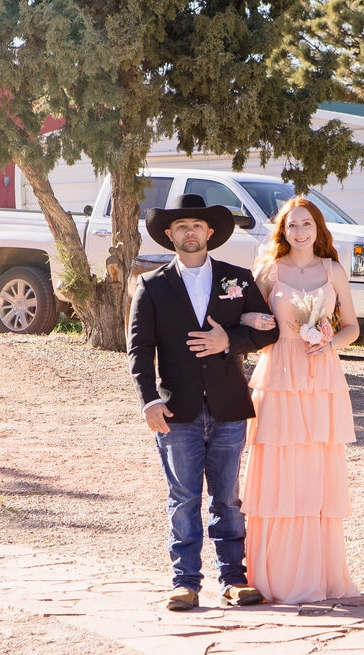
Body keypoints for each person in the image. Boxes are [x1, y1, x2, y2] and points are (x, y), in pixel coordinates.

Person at [127, 194, 279, 611]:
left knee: (227, 498)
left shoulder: (237, 278)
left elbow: (269, 331)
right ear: (169, 234)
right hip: (176, 410)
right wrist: (148, 401)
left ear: (210, 232)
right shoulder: (153, 285)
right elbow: (139, 349)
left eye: (196, 225)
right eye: (181, 226)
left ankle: (233, 579)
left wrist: (229, 340)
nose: (189, 232)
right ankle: (185, 582)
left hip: (229, 406)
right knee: (184, 498)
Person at [240, 196, 360, 604]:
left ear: (318, 227)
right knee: (278, 463)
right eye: (292, 225)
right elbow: (247, 317)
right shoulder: (269, 270)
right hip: (278, 373)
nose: (300, 231)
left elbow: (352, 327)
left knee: (314, 465)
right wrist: (252, 320)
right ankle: (276, 575)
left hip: (321, 375)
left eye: (307, 224)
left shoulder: (333, 270)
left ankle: (316, 573)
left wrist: (329, 344)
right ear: (283, 231)